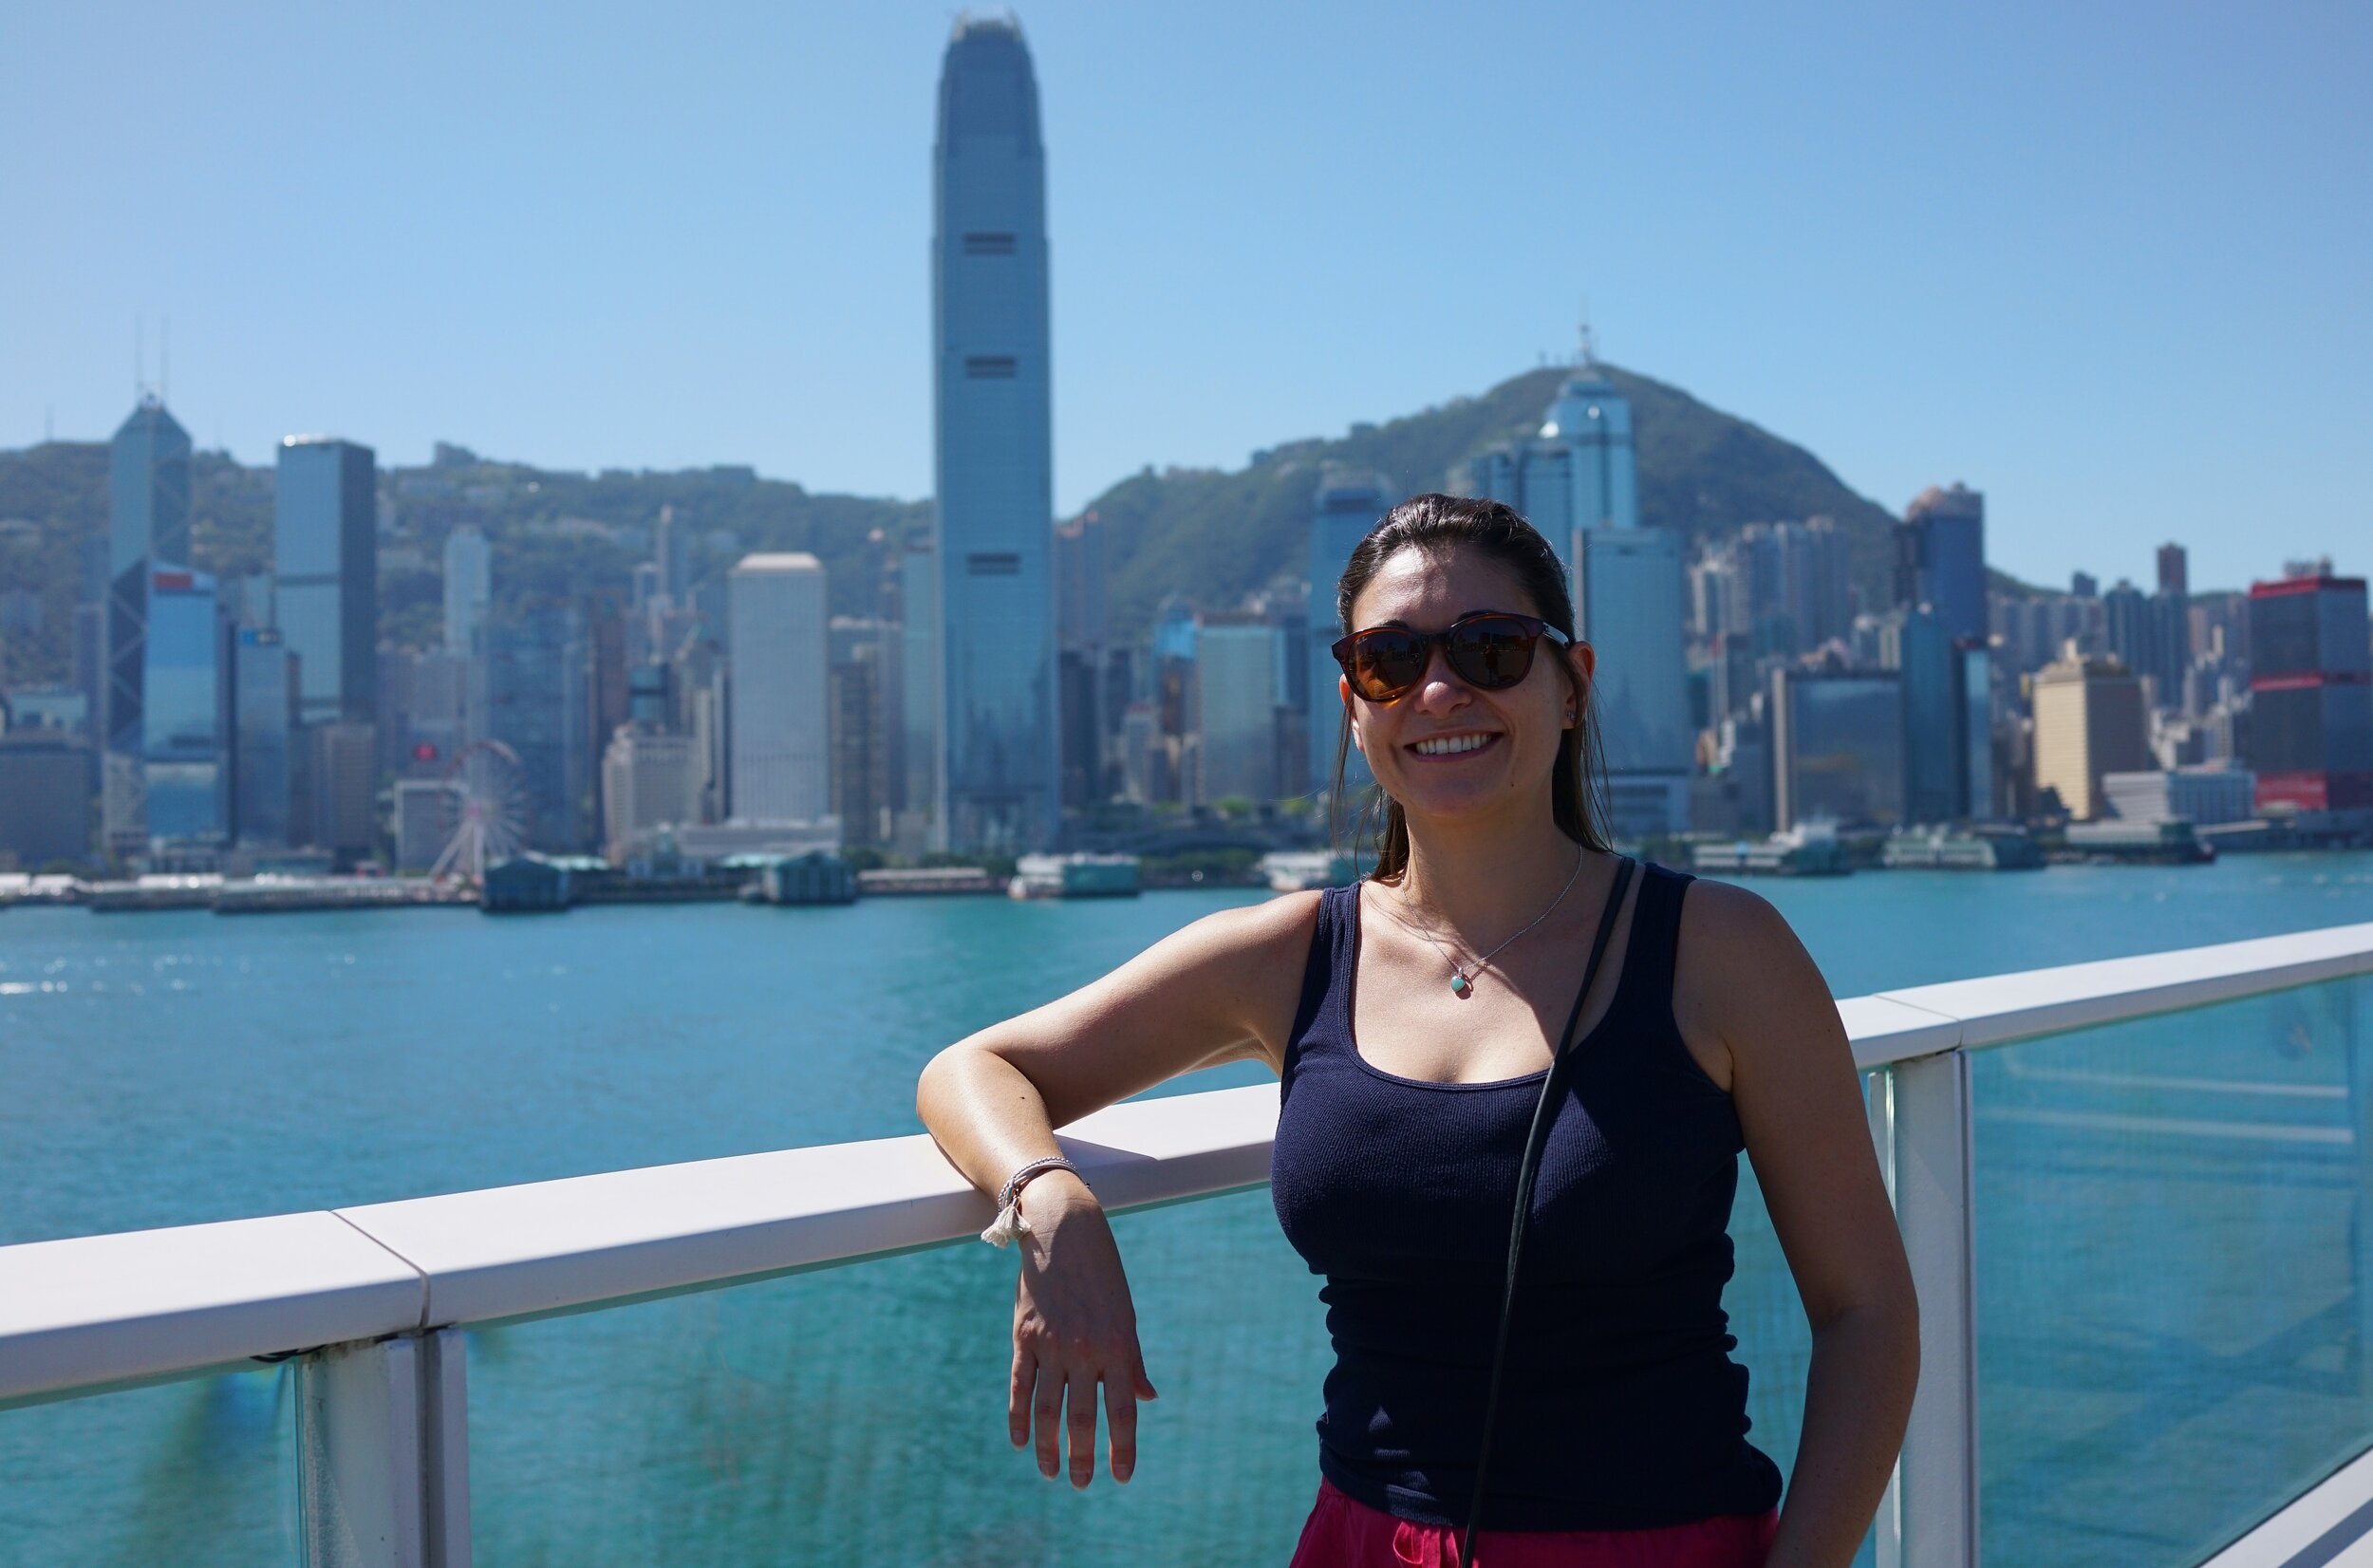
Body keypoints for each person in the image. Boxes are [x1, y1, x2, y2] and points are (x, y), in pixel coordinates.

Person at [916, 495, 1917, 1566]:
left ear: (1571, 683)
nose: (1440, 690)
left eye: (1491, 648)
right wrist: (1049, 1200)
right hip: (1358, 1540)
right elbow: (976, 1066)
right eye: (1390, 660)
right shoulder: (1290, 953)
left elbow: (1866, 1312)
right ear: (1354, 704)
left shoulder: (1721, 951)